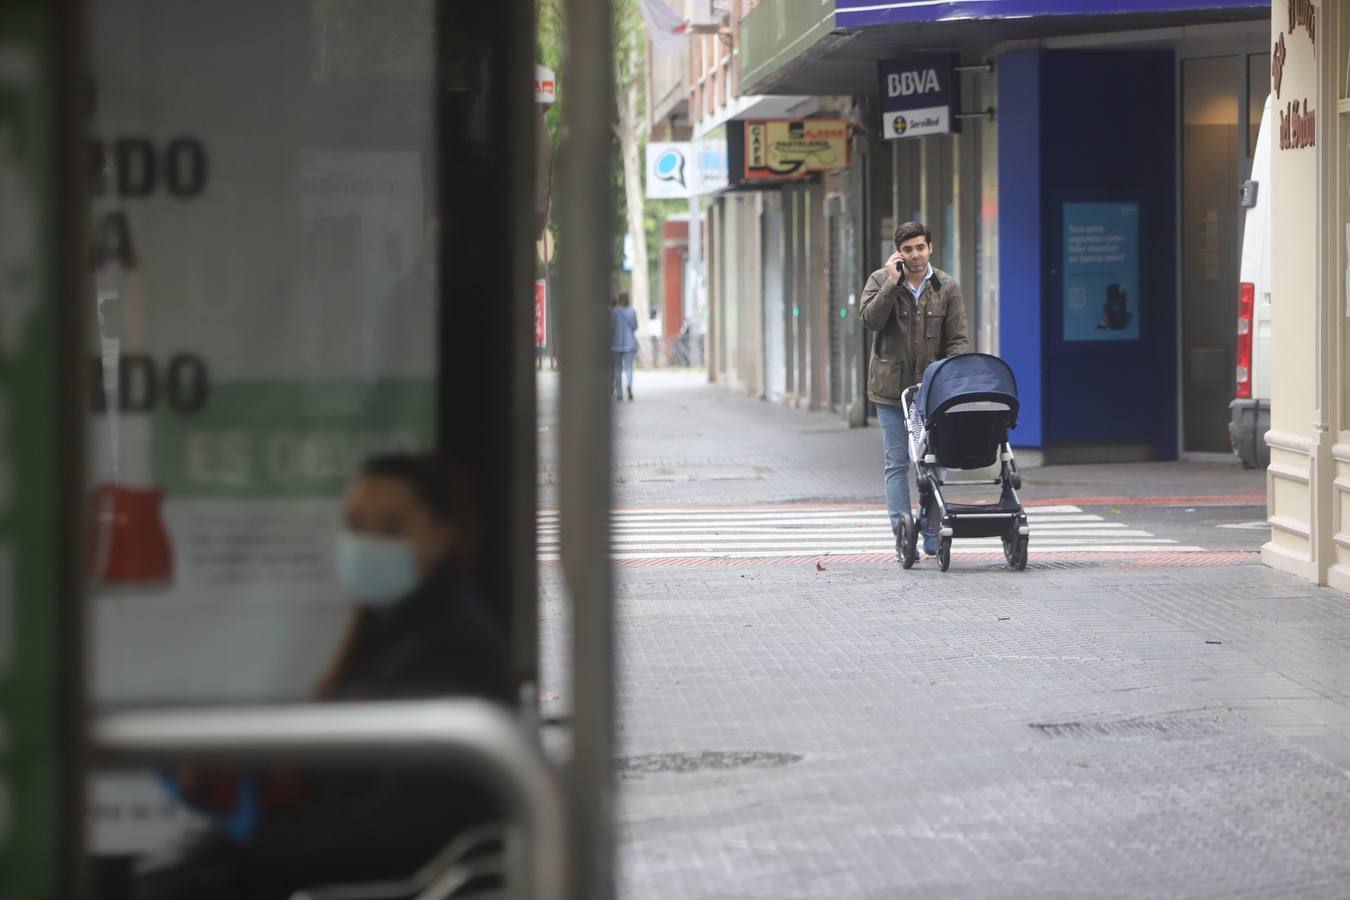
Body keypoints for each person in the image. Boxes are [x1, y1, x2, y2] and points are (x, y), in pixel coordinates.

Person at [136, 453, 513, 900]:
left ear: (441, 537)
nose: (367, 542)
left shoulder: (451, 647)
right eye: (355, 524)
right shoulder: (389, 632)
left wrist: (261, 827)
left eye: (391, 528)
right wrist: (246, 782)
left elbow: (397, 831)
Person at [859, 222, 969, 559]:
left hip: (932, 393)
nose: (915, 255)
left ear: (930, 248)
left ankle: (932, 529)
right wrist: (892, 284)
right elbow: (871, 321)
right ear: (898, 253)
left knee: (935, 463)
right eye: (908, 249)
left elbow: (957, 341)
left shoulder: (946, 286)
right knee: (897, 464)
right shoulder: (881, 280)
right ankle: (902, 533)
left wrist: (953, 383)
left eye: (920, 247)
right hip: (891, 391)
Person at [610, 291, 638, 401]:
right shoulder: (632, 311)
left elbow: (611, 327)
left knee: (617, 368)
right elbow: (635, 326)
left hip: (616, 344)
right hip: (629, 343)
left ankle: (619, 393)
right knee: (629, 367)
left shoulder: (614, 312)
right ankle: (629, 386)